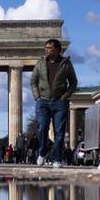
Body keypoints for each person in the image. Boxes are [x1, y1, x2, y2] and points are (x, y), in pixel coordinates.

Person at [31, 38, 78, 169]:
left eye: (50, 48)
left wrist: (65, 96)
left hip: (59, 102)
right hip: (43, 102)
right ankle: (42, 151)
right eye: (46, 47)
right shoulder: (40, 63)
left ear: (57, 49)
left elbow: (73, 83)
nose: (47, 50)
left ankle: (57, 158)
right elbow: (33, 81)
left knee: (59, 131)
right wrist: (37, 97)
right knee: (42, 127)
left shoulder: (66, 63)